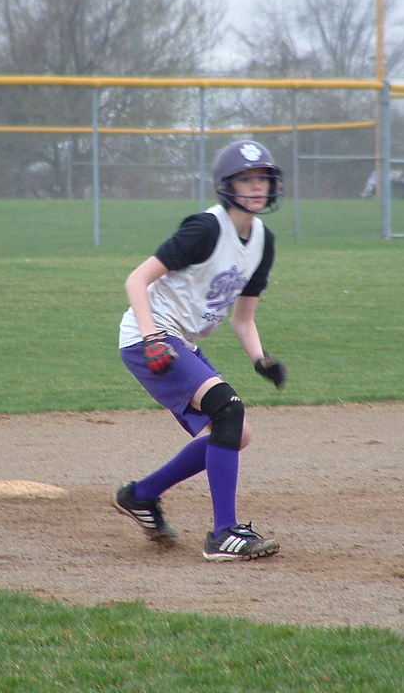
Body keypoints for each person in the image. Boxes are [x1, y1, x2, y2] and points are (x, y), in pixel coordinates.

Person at [112, 139, 287, 562]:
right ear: (227, 186)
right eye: (246, 179)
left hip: (180, 340)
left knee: (236, 433)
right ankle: (224, 534)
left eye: (262, 178)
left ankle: (141, 494)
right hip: (147, 337)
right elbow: (136, 280)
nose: (256, 187)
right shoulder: (205, 228)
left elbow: (242, 319)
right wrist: (153, 337)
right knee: (228, 408)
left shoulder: (263, 240)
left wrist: (260, 359)